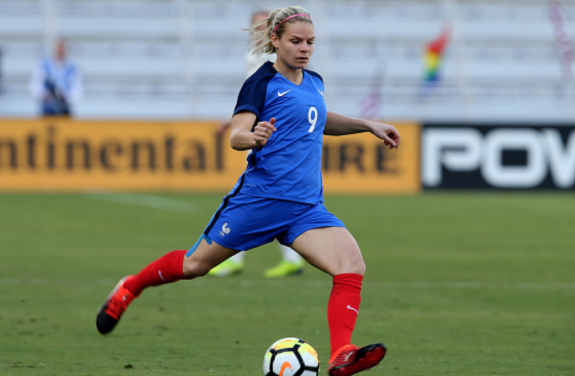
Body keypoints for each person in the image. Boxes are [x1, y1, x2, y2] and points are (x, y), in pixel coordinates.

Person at [96, 6, 400, 376]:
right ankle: (131, 287)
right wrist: (251, 136)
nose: (305, 48)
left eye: (310, 42)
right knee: (194, 265)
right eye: (296, 41)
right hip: (259, 202)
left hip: (306, 208)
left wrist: (367, 124)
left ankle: (342, 353)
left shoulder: (314, 81)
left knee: (352, 265)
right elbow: (238, 133)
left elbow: (319, 119)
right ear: (275, 41)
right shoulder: (261, 83)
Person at [211, 9, 306, 279]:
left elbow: (264, 94)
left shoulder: (268, 58)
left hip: (267, 132)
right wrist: (231, 120)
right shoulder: (255, 55)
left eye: (263, 25)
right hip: (258, 129)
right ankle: (291, 258)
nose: (257, 30)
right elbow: (249, 95)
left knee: (252, 196)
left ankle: (232, 258)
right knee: (267, 196)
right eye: (255, 25)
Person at [29, 39, 83, 116]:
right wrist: (46, 95)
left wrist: (65, 97)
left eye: (62, 48)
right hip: (47, 109)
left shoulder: (72, 68)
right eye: (58, 48)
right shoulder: (44, 65)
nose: (60, 51)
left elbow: (78, 89)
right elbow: (35, 85)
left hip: (64, 109)